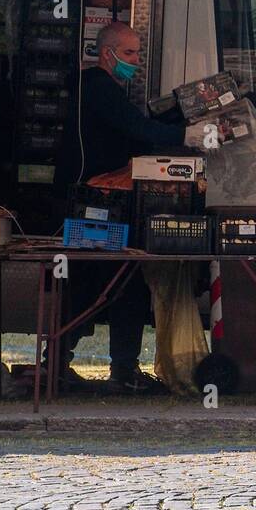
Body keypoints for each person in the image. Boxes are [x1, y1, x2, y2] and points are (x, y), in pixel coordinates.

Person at [58, 22, 186, 392]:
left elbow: (137, 125)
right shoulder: (98, 87)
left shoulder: (102, 88)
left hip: (100, 199)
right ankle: (115, 370)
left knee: (98, 284)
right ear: (106, 53)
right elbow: (138, 130)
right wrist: (185, 135)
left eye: (137, 53)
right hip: (93, 201)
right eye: (129, 53)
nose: (135, 60)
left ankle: (66, 364)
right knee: (117, 283)